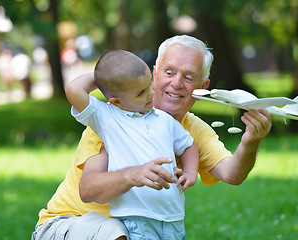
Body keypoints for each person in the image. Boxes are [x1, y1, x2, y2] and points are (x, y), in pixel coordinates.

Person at [32, 35, 272, 240]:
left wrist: (250, 142)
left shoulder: (191, 128)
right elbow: (88, 190)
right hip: (68, 224)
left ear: (203, 86)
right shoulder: (113, 119)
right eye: (169, 72)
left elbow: (232, 173)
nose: (176, 83)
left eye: (189, 77)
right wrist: (113, 77)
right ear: (154, 75)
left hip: (140, 228)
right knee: (115, 231)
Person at [65, 49, 199, 239]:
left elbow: (188, 145)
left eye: (149, 84)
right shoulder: (107, 117)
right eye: (140, 92)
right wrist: (106, 79)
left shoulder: (164, 119)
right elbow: (73, 89)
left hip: (173, 216)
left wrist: (190, 173)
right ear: (117, 101)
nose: (150, 93)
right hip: (137, 218)